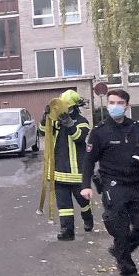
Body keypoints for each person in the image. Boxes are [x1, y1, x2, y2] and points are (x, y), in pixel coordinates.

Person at [81, 88, 139, 276]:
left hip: (136, 184)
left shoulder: (136, 128)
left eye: (119, 103)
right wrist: (85, 186)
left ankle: (120, 251)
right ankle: (129, 273)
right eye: (111, 102)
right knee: (120, 231)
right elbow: (88, 161)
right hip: (114, 186)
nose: (115, 106)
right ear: (107, 105)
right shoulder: (100, 131)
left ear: (127, 106)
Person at [39, 90, 94, 240]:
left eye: (67, 107)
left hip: (77, 173)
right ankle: (67, 231)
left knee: (83, 202)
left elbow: (79, 137)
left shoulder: (82, 121)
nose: (64, 110)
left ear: (75, 107)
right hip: (58, 172)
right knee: (64, 206)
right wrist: (45, 117)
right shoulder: (55, 120)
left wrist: (69, 123)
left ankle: (87, 217)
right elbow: (42, 131)